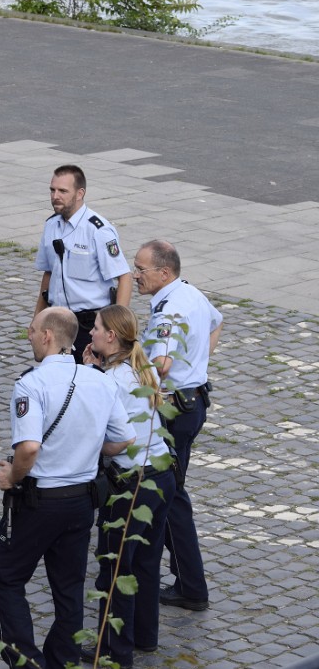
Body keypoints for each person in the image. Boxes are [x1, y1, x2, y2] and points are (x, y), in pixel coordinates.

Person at [0, 307, 135, 669]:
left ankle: (28, 661)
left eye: (33, 329)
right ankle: (62, 660)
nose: (29, 335)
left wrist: (13, 477)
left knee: (3, 574)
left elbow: (29, 447)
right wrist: (84, 445)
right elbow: (124, 439)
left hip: (40, 501)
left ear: (48, 336)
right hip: (82, 502)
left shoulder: (31, 384)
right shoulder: (99, 381)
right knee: (68, 592)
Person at [80, 305, 177, 669]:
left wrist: (93, 448)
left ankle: (113, 652)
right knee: (147, 561)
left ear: (112, 337)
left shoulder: (110, 379)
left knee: (114, 566)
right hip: (161, 474)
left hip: (131, 483)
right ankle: (144, 638)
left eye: (96, 328)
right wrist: (96, 369)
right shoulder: (142, 365)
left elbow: (111, 435)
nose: (90, 333)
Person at [134, 239, 223, 612]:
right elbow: (217, 324)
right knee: (173, 496)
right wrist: (197, 365)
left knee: (170, 499)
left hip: (175, 411)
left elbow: (161, 366)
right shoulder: (190, 293)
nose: (135, 275)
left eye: (141, 269)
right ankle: (189, 582)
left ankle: (191, 586)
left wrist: (132, 380)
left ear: (164, 273)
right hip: (194, 400)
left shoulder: (169, 310)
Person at [34, 164, 132, 364]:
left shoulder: (98, 231)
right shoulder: (51, 225)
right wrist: (37, 319)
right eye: (52, 190)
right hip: (57, 323)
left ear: (80, 193)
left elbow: (124, 277)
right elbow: (48, 274)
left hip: (88, 326)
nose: (55, 196)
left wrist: (118, 329)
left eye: (62, 191)